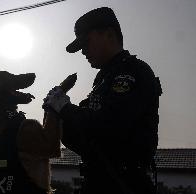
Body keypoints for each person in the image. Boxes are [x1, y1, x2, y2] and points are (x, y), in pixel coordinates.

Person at [43, 7, 162, 194]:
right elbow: (86, 139)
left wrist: (64, 107)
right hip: (98, 181)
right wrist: (54, 113)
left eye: (86, 42)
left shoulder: (133, 70)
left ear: (109, 34)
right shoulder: (102, 81)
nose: (83, 51)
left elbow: (110, 124)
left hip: (125, 183)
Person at [0, 71, 63, 194]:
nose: (19, 79)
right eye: (9, 80)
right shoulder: (24, 128)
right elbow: (51, 148)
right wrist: (53, 105)